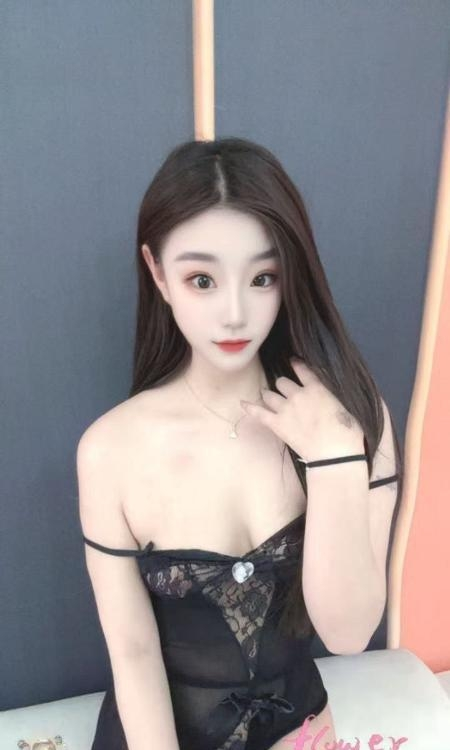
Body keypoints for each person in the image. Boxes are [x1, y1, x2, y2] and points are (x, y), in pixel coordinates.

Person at [77, 137, 402, 750]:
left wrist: (333, 458)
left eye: (262, 277)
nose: (234, 313)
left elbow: (348, 633)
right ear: (157, 273)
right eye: (201, 279)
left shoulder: (354, 416)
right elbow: (135, 653)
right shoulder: (110, 449)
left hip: (302, 732)